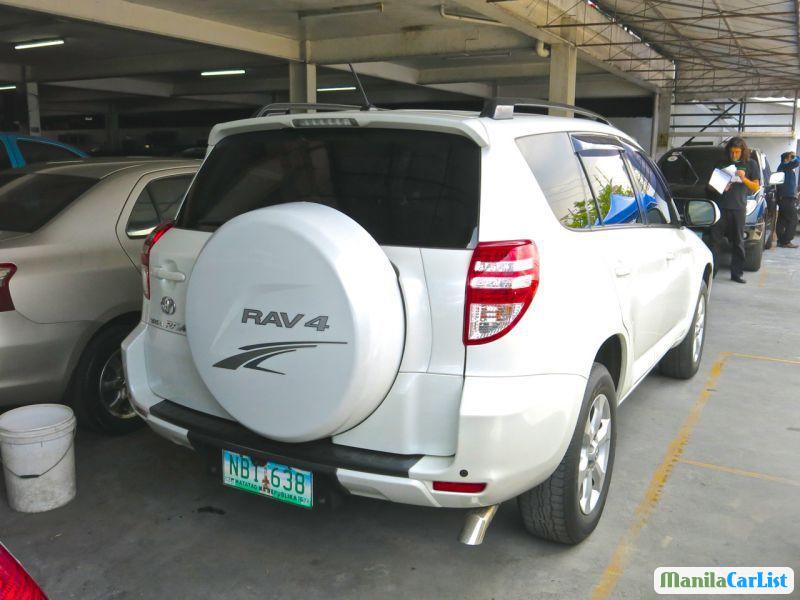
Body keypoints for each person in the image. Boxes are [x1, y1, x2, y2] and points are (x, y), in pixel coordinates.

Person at [709, 137, 760, 284]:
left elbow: (756, 187)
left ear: (742, 151)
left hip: (738, 208)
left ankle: (736, 274)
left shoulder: (751, 164)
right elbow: (710, 186)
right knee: (715, 241)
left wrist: (744, 179)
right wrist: (721, 187)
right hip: (721, 208)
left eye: (737, 152)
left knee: (738, 242)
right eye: (732, 152)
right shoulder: (721, 164)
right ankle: (712, 272)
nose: (734, 155)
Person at [775, 151, 799, 248]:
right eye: (791, 157)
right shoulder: (785, 166)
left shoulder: (785, 167)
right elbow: (797, 162)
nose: (792, 158)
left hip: (785, 197)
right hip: (786, 198)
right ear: (786, 159)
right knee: (793, 219)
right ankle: (786, 241)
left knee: (782, 220)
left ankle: (781, 241)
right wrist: (795, 156)